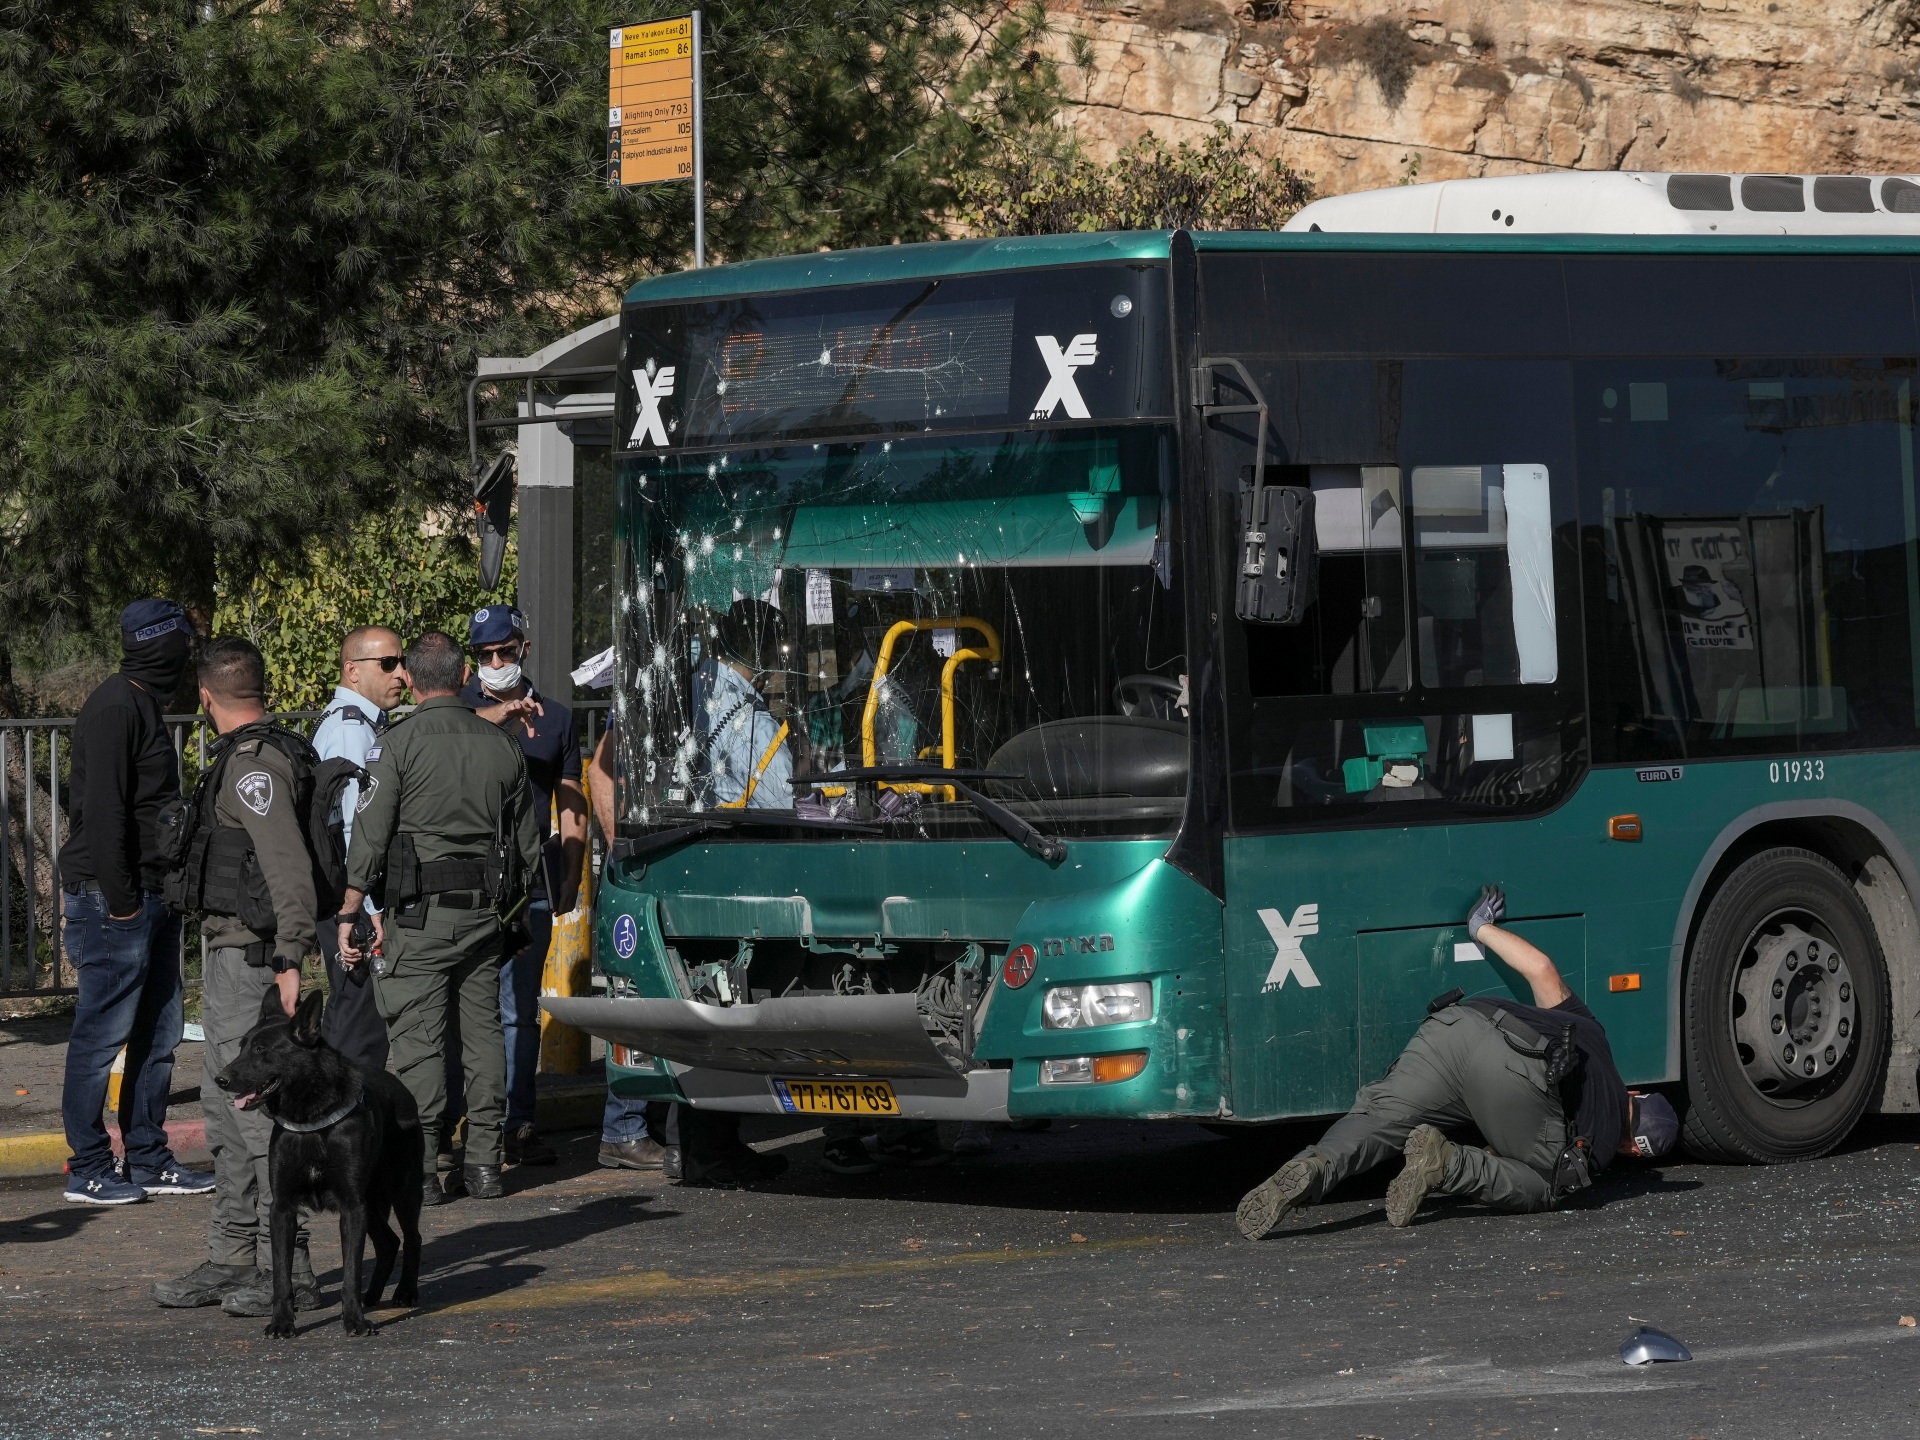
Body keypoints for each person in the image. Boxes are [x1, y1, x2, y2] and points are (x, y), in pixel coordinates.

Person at [1235, 884, 1681, 1240]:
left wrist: (1481, 926)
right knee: (1547, 1184)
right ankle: (1445, 1163)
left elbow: (1541, 969)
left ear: (1636, 1094)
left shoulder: (1595, 1035)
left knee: (1380, 1115)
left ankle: (1316, 1166)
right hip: (1519, 1071)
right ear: (1631, 1149)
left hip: (1460, 1023)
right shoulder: (1602, 1147)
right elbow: (1536, 1150)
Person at [335, 630, 540, 1205]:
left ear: (416, 680)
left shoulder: (396, 746)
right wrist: (512, 918)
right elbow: (527, 848)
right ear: (461, 676)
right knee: (482, 1037)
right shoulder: (502, 745)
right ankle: (484, 1165)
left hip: (419, 920)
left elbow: (369, 840)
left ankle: (423, 1170)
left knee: (419, 1041)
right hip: (482, 919)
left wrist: (350, 911)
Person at [152, 637, 321, 1316]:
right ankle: (231, 1256)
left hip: (255, 962)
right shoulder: (242, 757)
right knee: (224, 1115)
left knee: (259, 1123)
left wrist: (290, 959)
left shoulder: (256, 766)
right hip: (229, 959)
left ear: (204, 695)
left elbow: (287, 869)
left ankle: (294, 1268)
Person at [57, 599, 213, 1206]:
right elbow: (102, 811)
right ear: (160, 645)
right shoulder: (116, 706)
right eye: (183, 643)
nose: (188, 657)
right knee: (101, 1038)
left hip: (150, 894)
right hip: (113, 898)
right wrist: (122, 901)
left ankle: (147, 1155)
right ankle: (89, 1166)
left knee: (160, 1030)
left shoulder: (140, 701)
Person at [446, 604, 586, 1169]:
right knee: (459, 1009)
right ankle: (461, 1122)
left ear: (523, 647)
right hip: (465, 885)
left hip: (528, 886)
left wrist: (571, 873)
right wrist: (502, 714)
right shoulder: (459, 710)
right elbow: (442, 744)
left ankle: (517, 1122)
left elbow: (570, 797)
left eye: (504, 651)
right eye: (484, 655)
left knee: (517, 1011)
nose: (496, 662)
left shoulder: (554, 718)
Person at [309, 625, 409, 1075]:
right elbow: (353, 827)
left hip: (345, 894)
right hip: (352, 897)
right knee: (359, 1020)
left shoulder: (355, 722)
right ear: (352, 670)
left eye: (401, 662)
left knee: (354, 1013)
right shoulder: (353, 732)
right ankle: (344, 1125)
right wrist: (367, 906)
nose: (401, 674)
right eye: (387, 664)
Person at [586, 723, 671, 1173]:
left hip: (671, 851)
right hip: (645, 860)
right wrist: (623, 846)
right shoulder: (654, 683)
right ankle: (623, 1128)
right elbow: (601, 771)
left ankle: (644, 1126)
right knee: (636, 991)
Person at [693, 598, 792, 810]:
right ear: (762, 657)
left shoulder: (686, 691)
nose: (775, 671)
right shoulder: (758, 728)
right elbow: (789, 807)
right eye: (776, 659)